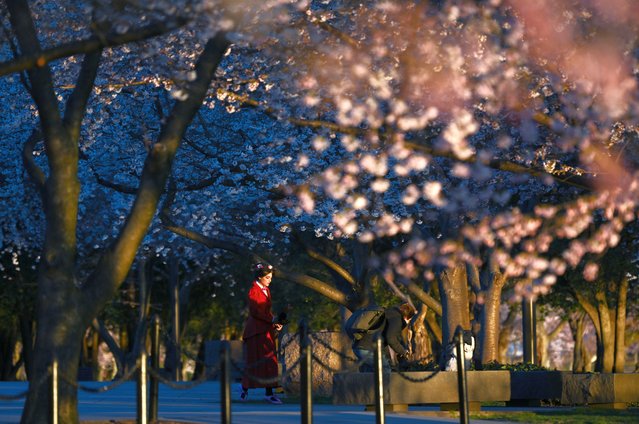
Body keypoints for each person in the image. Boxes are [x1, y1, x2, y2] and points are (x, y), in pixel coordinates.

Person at [240, 262, 284, 404]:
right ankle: (245, 389)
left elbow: (265, 312)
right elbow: (256, 312)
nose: (270, 280)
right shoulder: (254, 291)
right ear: (259, 277)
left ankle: (269, 392)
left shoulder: (266, 290)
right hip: (256, 331)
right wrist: (272, 319)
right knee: (254, 360)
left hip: (265, 330)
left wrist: (275, 322)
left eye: (271, 278)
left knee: (270, 361)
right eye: (267, 278)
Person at [351, 303, 416, 372]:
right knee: (385, 369)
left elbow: (384, 337)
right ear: (407, 317)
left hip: (359, 346)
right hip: (368, 349)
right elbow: (391, 339)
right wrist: (403, 352)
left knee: (368, 376)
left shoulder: (389, 313)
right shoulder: (397, 319)